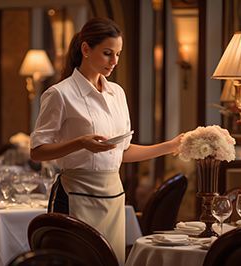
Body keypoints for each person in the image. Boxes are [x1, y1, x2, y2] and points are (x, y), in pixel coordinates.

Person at [30, 17, 182, 265]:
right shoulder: (60, 94)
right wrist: (81, 143)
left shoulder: (117, 93)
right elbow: (37, 151)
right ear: (86, 49)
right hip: (75, 195)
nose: (114, 62)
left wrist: (171, 146)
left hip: (114, 195)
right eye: (108, 53)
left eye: (118, 54)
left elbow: (122, 151)